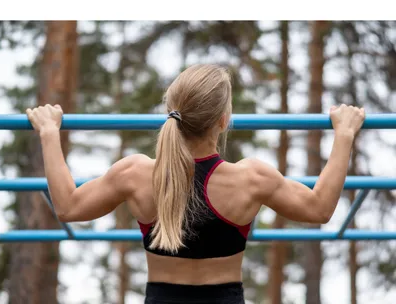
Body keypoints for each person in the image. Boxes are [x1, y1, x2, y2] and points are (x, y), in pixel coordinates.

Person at [26, 64, 365, 304]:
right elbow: (320, 208)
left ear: (171, 113)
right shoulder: (250, 179)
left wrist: (49, 133)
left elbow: (68, 207)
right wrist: (345, 134)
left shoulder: (136, 173)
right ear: (223, 120)